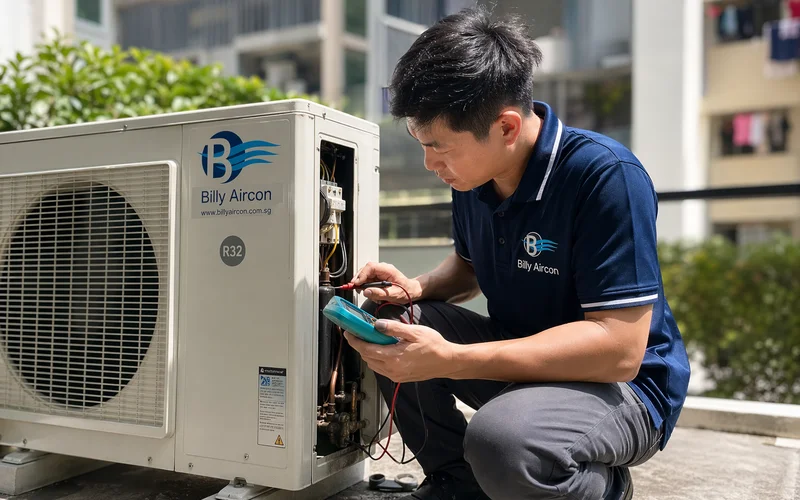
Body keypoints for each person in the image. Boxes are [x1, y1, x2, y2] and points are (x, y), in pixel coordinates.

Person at [343, 7, 691, 500]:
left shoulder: (605, 176)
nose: (429, 164)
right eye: (421, 143)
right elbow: (468, 269)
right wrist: (416, 288)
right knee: (392, 322)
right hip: (522, 355)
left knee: (502, 443)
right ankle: (455, 482)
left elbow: (619, 349)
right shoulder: (473, 174)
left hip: (622, 387)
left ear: (506, 127)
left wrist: (452, 359)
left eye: (440, 147)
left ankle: (602, 487)